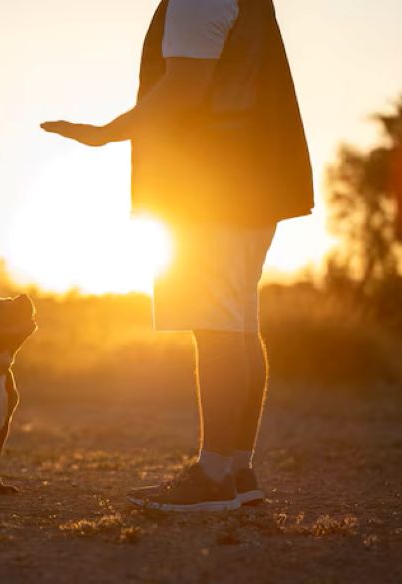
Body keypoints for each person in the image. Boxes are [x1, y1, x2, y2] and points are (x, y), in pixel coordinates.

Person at [42, 0, 313, 512]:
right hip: (253, 181)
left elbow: (184, 89)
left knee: (216, 325)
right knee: (238, 322)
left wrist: (104, 133)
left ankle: (212, 475)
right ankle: (236, 470)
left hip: (208, 186)